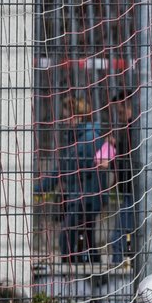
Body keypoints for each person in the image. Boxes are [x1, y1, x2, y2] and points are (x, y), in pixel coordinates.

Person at [39, 94, 110, 263]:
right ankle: (91, 268)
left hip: (85, 197)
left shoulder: (87, 139)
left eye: (66, 117)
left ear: (76, 116)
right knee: (86, 237)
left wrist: (40, 187)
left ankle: (73, 269)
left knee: (69, 237)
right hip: (86, 195)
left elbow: (65, 169)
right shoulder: (82, 137)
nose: (64, 121)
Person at [107, 97, 152, 266]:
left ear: (131, 107)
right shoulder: (137, 127)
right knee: (147, 236)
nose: (119, 116)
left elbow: (135, 159)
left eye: (120, 111)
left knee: (129, 237)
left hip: (143, 188)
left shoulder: (140, 128)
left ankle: (119, 273)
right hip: (138, 187)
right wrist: (118, 146)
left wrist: (111, 162)